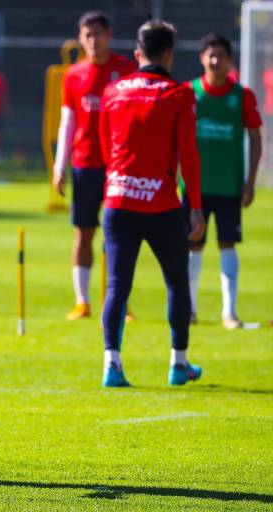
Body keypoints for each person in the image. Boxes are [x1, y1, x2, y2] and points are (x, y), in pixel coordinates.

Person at [98, 20, 206, 387]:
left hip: (118, 199)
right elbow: (189, 154)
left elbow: (105, 147)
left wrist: (120, 181)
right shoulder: (179, 93)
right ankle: (179, 363)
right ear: (169, 54)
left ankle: (112, 365)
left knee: (117, 286)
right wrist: (194, 205)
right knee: (177, 283)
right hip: (160, 205)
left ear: (136, 54)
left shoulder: (113, 91)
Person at [53, 11, 137, 320]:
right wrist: (59, 166)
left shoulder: (126, 70)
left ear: (109, 35)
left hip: (120, 165)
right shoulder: (74, 75)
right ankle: (82, 300)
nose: (92, 40)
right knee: (84, 232)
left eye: (97, 34)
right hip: (85, 164)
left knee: (120, 235)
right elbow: (67, 122)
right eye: (86, 35)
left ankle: (120, 301)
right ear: (80, 37)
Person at [185, 34, 263, 329]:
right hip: (193, 187)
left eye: (220, 55)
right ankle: (189, 310)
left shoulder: (242, 96)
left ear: (230, 60)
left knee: (227, 244)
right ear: (202, 58)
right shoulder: (188, 93)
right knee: (193, 244)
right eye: (210, 55)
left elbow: (256, 139)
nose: (215, 61)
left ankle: (229, 313)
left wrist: (249, 181)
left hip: (229, 186)